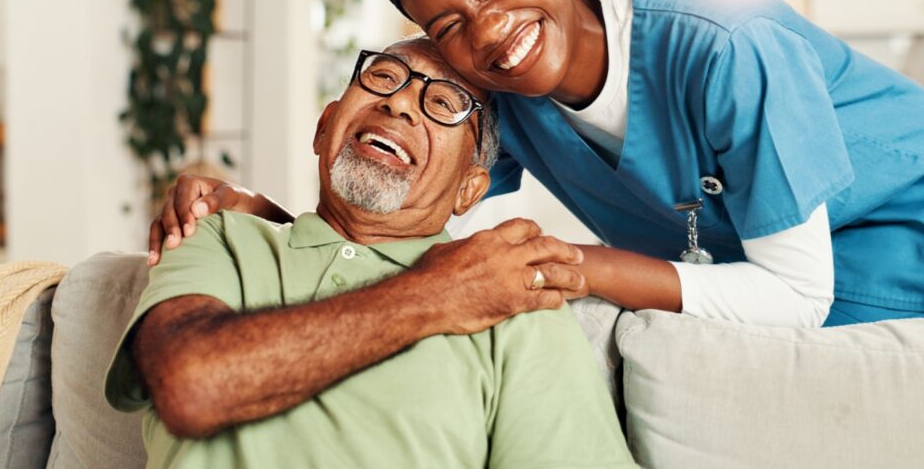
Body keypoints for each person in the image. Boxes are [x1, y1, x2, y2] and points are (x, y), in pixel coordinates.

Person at [152, 0, 924, 328]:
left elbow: (795, 292)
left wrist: (577, 267)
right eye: (446, 24)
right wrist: (256, 213)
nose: (487, 30)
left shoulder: (726, 43)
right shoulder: (508, 99)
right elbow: (398, 245)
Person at [106, 38, 639, 468]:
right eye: (383, 77)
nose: (401, 102)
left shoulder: (513, 304)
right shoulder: (221, 235)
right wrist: (435, 294)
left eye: (445, 105)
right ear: (323, 128)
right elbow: (190, 385)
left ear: (469, 190)